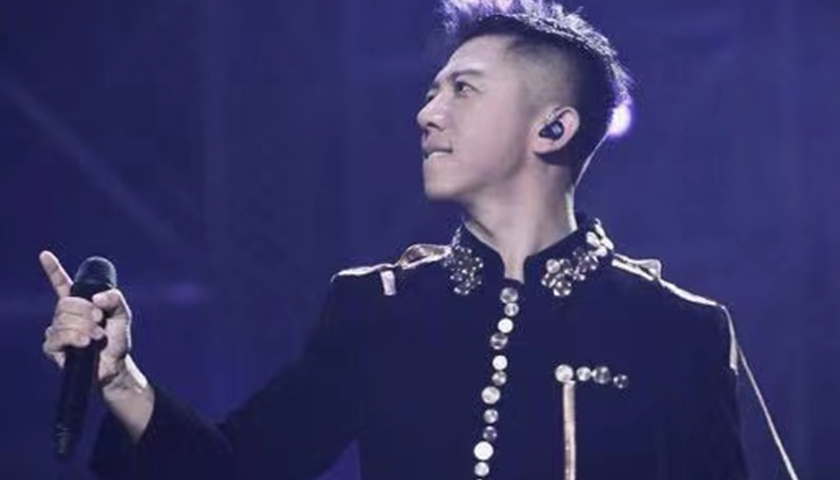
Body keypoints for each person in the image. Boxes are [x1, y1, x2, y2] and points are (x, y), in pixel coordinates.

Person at [41, 0, 748, 479]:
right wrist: (119, 379)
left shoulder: (676, 329)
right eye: (432, 91)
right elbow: (237, 468)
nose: (427, 114)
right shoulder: (377, 311)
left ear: (553, 128)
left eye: (463, 90)